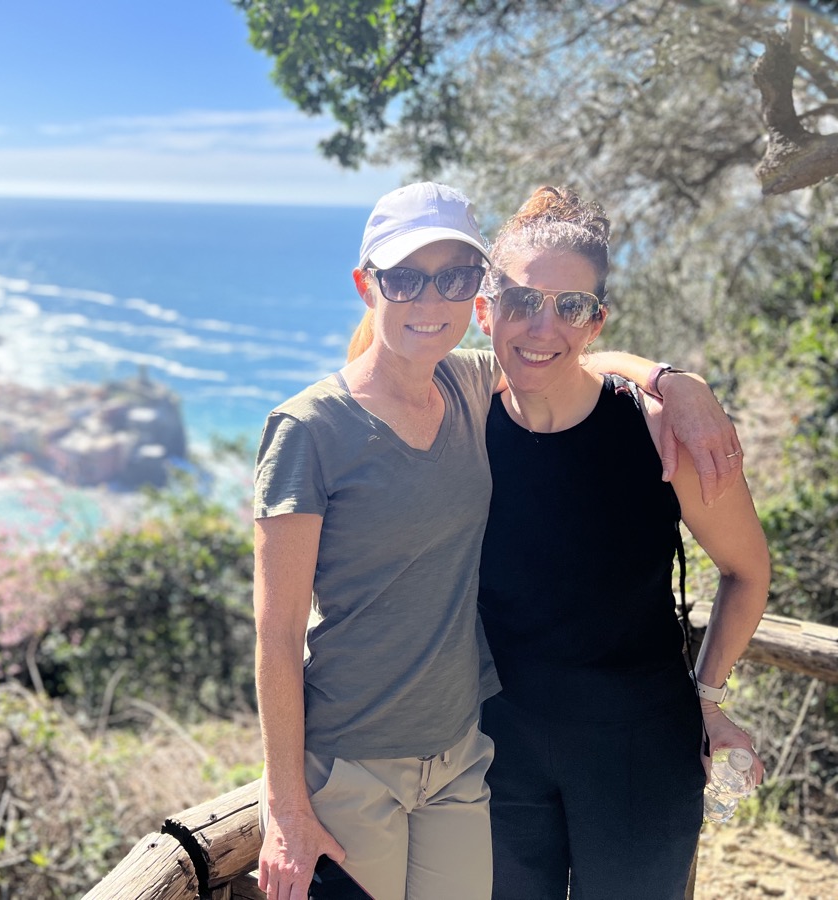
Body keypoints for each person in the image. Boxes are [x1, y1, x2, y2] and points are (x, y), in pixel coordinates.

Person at [253, 182, 745, 900]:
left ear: (474, 299)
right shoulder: (310, 428)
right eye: (404, 278)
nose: (430, 300)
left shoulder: (467, 387)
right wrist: (286, 808)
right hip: (357, 761)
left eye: (452, 277)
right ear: (368, 286)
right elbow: (274, 638)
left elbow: (569, 358)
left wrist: (675, 381)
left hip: (461, 761)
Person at [472, 185, 769, 899]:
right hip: (493, 755)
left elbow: (747, 572)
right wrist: (662, 370)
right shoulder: (456, 420)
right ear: (484, 310)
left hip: (642, 752)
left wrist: (710, 696)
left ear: (597, 321)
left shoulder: (661, 433)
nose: (543, 325)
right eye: (520, 299)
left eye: (571, 305)